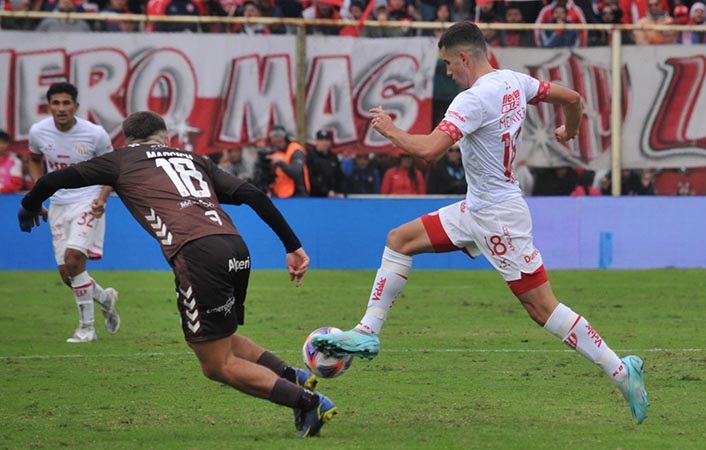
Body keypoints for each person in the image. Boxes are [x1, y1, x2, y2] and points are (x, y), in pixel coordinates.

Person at [311, 21, 649, 425]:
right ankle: (368, 329)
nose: (449, 73)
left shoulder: (471, 101)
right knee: (399, 240)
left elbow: (429, 151)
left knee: (542, 308)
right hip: (477, 208)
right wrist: (569, 129)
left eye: (449, 65)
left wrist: (390, 130)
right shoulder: (514, 82)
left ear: (465, 58)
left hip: (498, 219)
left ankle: (620, 370)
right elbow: (573, 97)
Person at [17, 110, 336, 438]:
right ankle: (292, 376)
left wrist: (29, 205)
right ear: (165, 137)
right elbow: (253, 195)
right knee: (219, 339)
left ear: (128, 141)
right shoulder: (193, 159)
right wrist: (293, 246)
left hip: (198, 255)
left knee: (215, 364)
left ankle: (307, 401)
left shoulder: (121, 160)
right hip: (235, 248)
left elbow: (51, 180)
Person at [27, 82, 120, 343]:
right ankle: (105, 297)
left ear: (76, 107)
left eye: (66, 103)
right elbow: (34, 159)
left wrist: (103, 198)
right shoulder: (38, 132)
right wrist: (39, 192)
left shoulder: (95, 134)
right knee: (68, 275)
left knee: (74, 260)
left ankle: (86, 329)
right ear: (49, 107)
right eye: (56, 103)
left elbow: (113, 169)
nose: (61, 108)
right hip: (58, 204)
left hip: (88, 200)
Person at [266, 126, 310, 198]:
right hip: (279, 194)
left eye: (277, 136)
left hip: (297, 194)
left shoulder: (296, 150)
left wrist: (280, 162)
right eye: (273, 137)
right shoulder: (274, 151)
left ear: (284, 137)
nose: (275, 139)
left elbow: (296, 172)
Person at [307, 129, 346, 198]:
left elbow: (339, 176)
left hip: (333, 196)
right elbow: (311, 178)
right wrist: (326, 192)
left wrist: (341, 191)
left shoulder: (333, 157)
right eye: (321, 140)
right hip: (315, 197)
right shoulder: (310, 157)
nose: (324, 143)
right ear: (317, 142)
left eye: (326, 140)